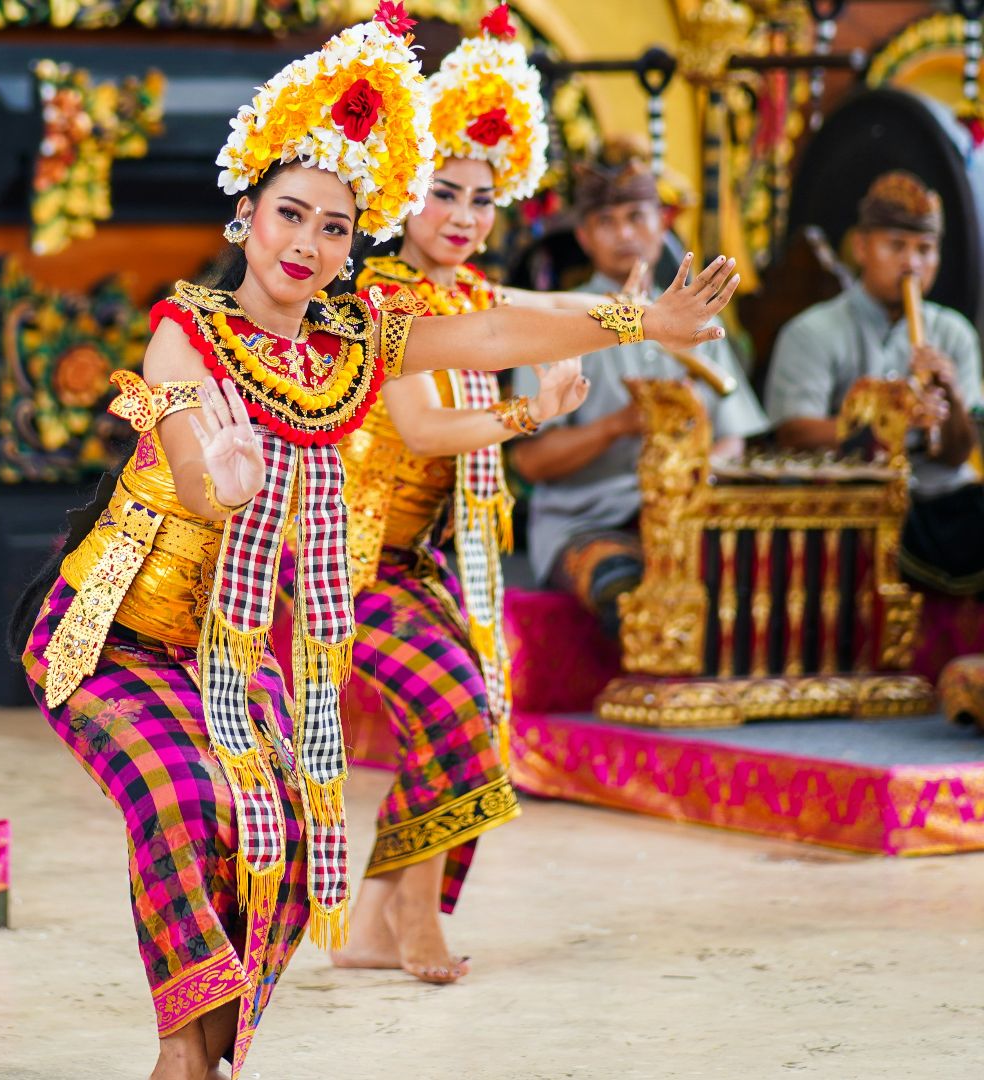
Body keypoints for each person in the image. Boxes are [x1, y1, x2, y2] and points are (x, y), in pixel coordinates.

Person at [9, 7, 742, 1076]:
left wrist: (645, 324)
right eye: (289, 217)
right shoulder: (189, 329)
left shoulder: (358, 339)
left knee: (297, 843)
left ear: (356, 244)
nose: (307, 245)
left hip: (233, 652)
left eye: (335, 229)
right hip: (113, 637)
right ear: (244, 217)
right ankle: (179, 1057)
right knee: (186, 801)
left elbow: (497, 328)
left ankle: (215, 1057)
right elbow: (188, 454)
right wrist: (222, 480)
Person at [332, 5, 591, 986]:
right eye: (445, 192)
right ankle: (414, 918)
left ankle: (377, 921)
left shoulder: (470, 296)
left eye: (483, 200)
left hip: (419, 562)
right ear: (401, 195)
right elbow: (426, 431)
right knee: (450, 716)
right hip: (337, 562)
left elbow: (549, 311)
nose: (465, 216)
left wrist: (640, 321)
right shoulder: (384, 299)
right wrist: (534, 416)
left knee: (478, 707)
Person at [509, 145, 768, 637]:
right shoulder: (557, 323)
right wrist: (618, 426)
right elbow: (530, 463)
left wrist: (696, 479)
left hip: (686, 517)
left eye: (636, 216)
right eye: (606, 221)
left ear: (663, 221)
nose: (624, 233)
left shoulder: (697, 319)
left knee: (761, 574)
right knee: (625, 584)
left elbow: (734, 437)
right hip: (588, 522)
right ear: (584, 236)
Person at [763, 170, 983, 596]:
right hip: (851, 500)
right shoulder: (811, 331)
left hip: (938, 497)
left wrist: (951, 397)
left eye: (925, 249)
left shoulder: (954, 334)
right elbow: (793, 433)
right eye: (896, 246)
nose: (913, 263)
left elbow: (958, 453)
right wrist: (891, 421)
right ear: (861, 248)